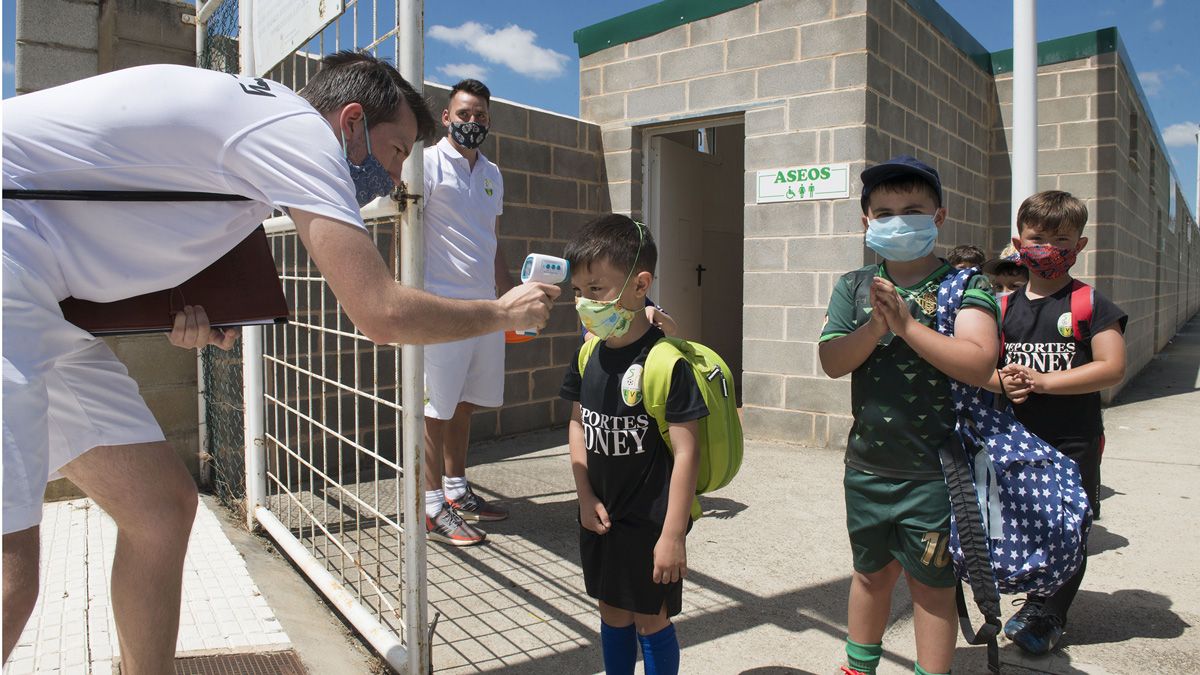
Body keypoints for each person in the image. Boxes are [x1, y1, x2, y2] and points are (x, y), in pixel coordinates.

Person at [1, 52, 559, 673]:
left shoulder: (254, 132)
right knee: (9, 579)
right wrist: (501, 315)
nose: (399, 177)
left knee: (159, 510)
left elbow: (107, 221)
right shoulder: (298, 134)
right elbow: (378, 313)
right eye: (399, 150)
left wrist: (183, 318)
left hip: (41, 291)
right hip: (9, 263)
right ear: (349, 122)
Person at [818, 156, 999, 675]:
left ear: (938, 217)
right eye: (885, 211)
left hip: (938, 475)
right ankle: (858, 667)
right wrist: (874, 329)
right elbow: (832, 362)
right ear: (866, 222)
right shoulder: (854, 287)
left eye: (913, 210)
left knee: (931, 586)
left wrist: (906, 326)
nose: (898, 220)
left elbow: (978, 360)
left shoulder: (965, 286)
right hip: (868, 469)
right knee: (870, 575)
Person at [559, 215, 708, 675]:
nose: (584, 302)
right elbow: (578, 424)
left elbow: (687, 453)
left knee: (650, 618)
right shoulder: (587, 354)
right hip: (601, 518)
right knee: (611, 611)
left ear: (640, 284)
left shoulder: (665, 363)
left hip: (651, 524)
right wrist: (584, 496)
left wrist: (672, 535)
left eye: (597, 289)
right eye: (578, 291)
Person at [986, 190, 1126, 655]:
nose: (1047, 248)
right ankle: (1035, 598)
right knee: (1029, 526)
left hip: (1073, 441)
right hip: (1018, 445)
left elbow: (1111, 367)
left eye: (1060, 239)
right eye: (1037, 238)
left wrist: (1043, 382)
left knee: (1069, 529)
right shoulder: (1002, 308)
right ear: (1017, 243)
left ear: (1079, 246)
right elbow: (983, 366)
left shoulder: (1090, 302)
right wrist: (1000, 381)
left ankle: (1051, 613)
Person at [420, 79, 516, 546]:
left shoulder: (493, 174)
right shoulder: (425, 163)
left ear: (488, 121)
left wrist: (507, 296)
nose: (471, 122)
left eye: (479, 116)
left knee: (464, 402)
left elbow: (491, 240)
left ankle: (457, 492)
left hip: (485, 306)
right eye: (464, 114)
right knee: (434, 407)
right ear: (446, 117)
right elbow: (406, 230)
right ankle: (430, 505)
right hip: (440, 303)